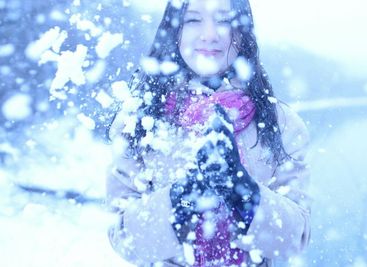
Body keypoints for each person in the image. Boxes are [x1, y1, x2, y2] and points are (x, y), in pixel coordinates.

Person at [106, 0, 311, 266]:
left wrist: (244, 193)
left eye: (224, 20)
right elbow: (124, 239)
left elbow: (295, 242)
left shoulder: (281, 123)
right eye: (193, 20)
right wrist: (181, 198)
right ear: (175, 30)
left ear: (242, 32)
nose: (209, 34)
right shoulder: (139, 119)